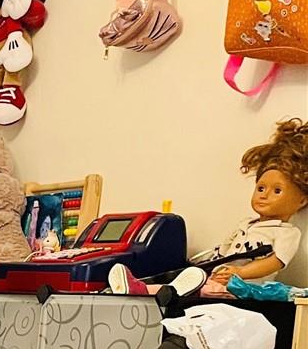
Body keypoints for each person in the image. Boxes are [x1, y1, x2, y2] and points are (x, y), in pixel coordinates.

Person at [110, 119, 308, 298]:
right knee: (189, 282)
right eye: (261, 188)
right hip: (221, 280)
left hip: (244, 289)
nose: (264, 195)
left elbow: (275, 262)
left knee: (197, 288)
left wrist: (240, 273)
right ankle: (141, 289)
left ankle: (145, 289)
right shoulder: (246, 225)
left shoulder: (287, 232)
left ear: (301, 201)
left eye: (277, 191)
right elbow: (223, 252)